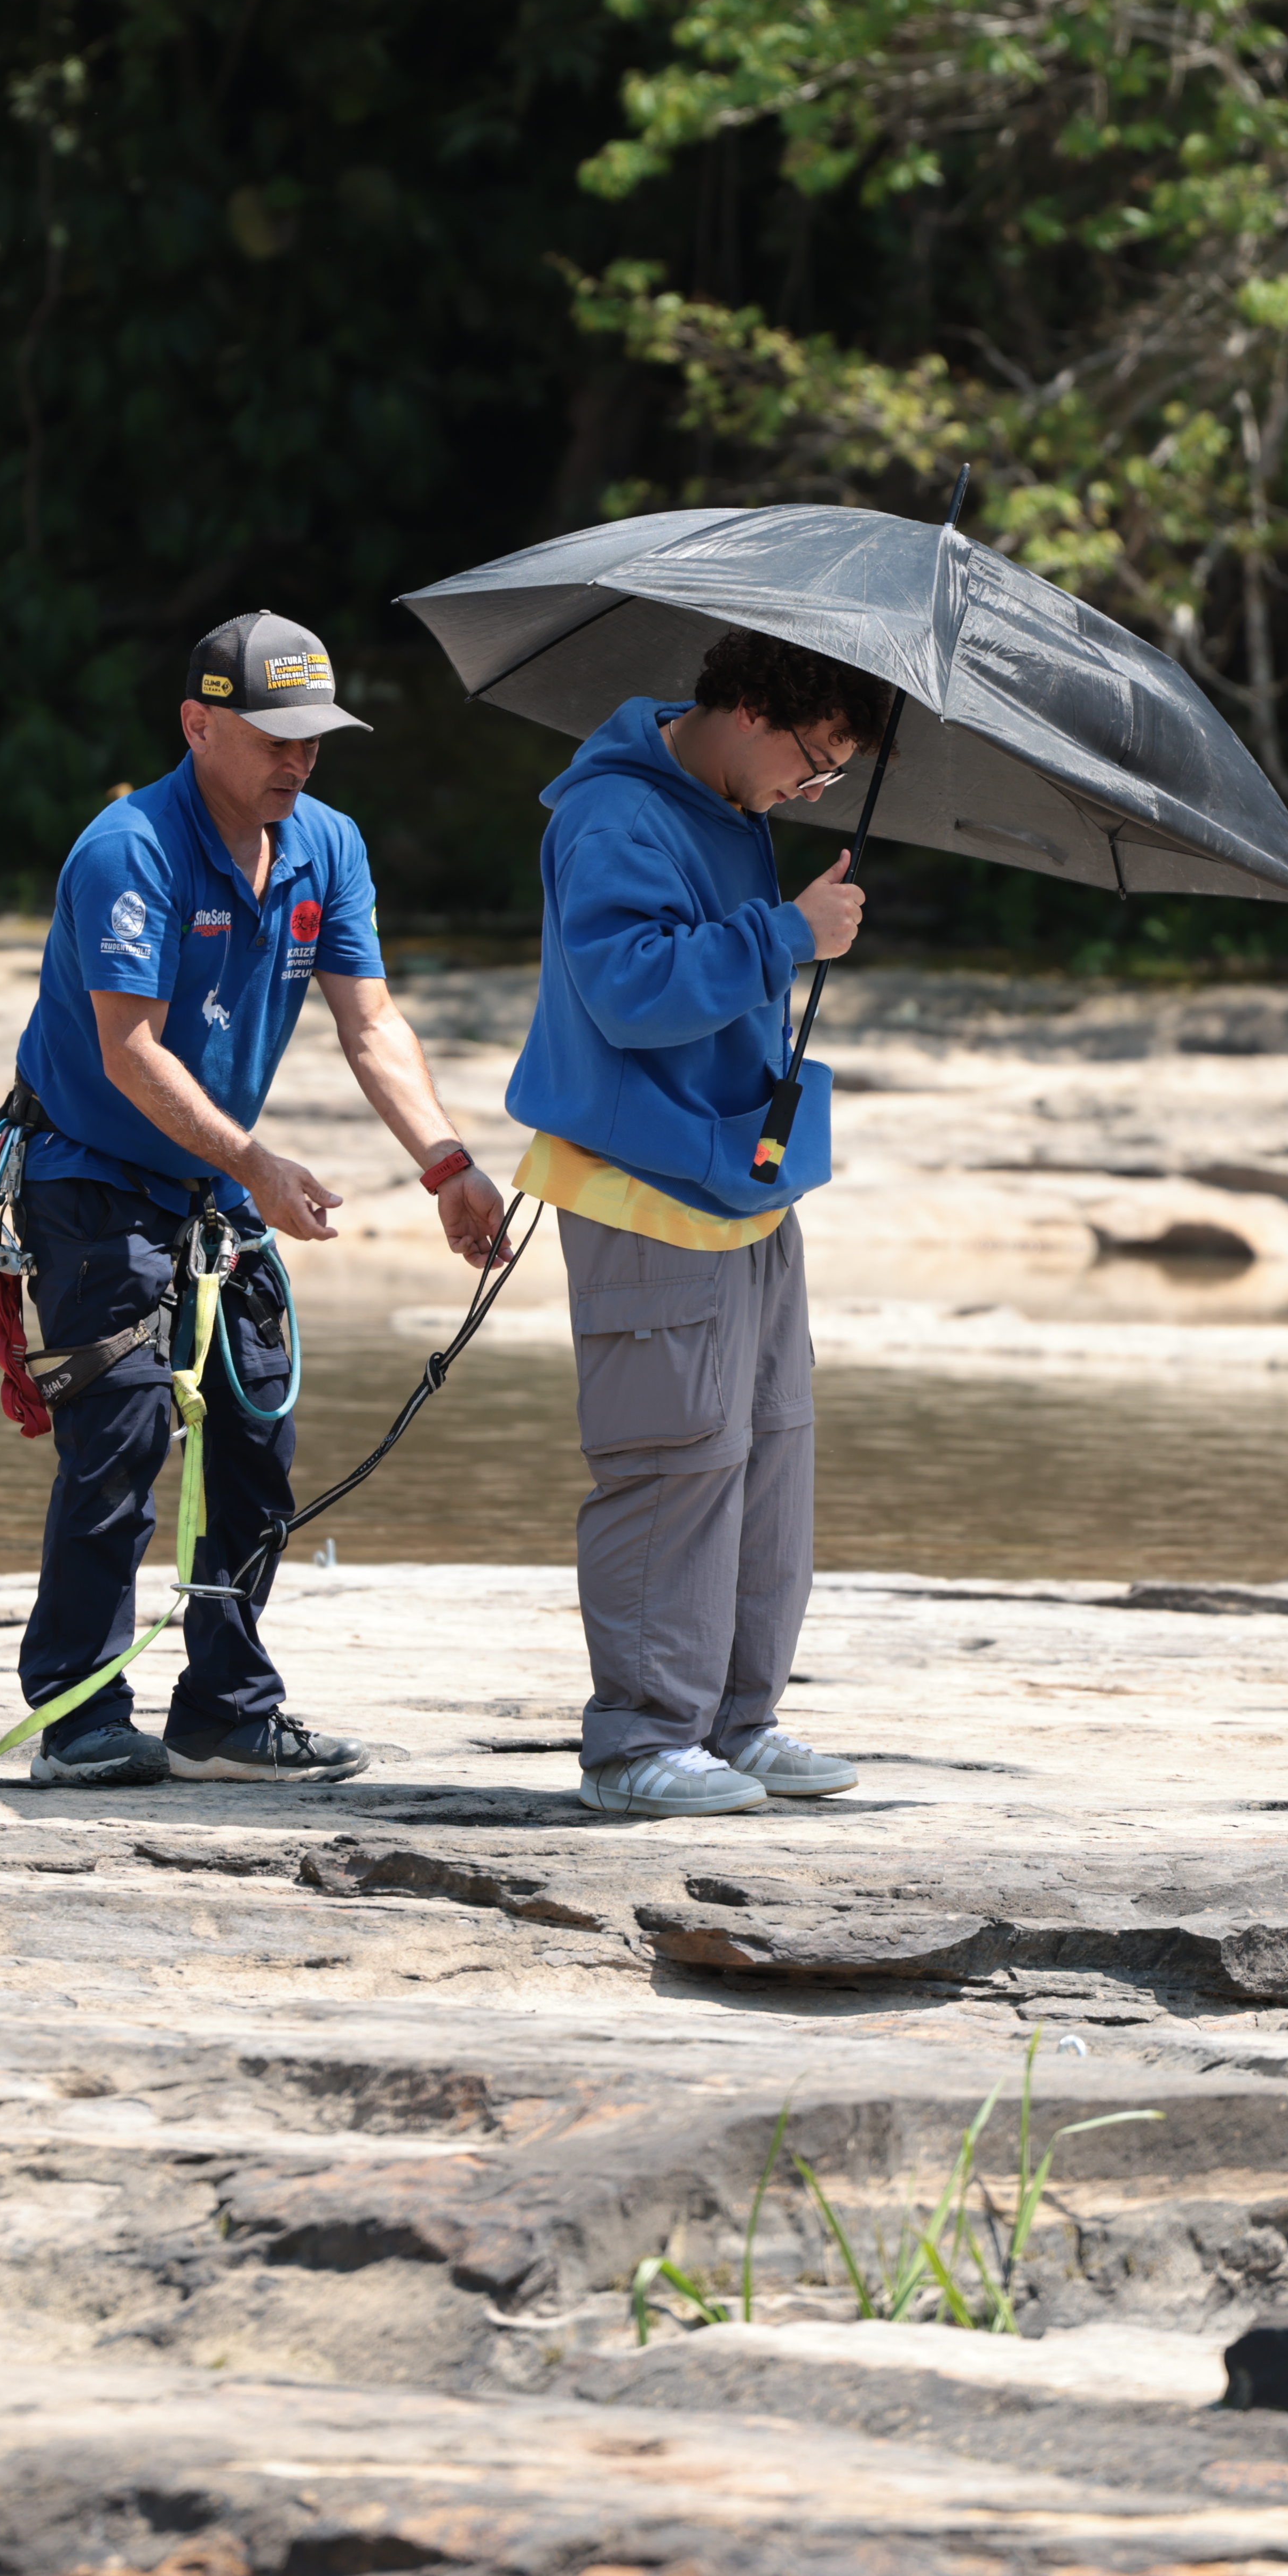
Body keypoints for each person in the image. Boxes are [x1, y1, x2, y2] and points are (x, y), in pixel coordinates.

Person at [3, 610, 515, 1789]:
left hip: (214, 1185)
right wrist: (256, 1164)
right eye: (274, 737)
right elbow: (128, 1051)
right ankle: (78, 1714)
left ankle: (225, 1706)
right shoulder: (127, 848)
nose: (297, 760)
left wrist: (449, 1163)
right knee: (122, 1435)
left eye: (315, 741)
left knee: (254, 1440)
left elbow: (369, 1019)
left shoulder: (325, 845)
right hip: (92, 1176)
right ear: (199, 723)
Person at [501, 627, 896, 1817]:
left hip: (742, 1182)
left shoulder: (731, 806)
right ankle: (638, 1741)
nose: (812, 789)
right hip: (646, 1186)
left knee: (771, 1452)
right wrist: (787, 933)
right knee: (672, 1461)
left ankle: (736, 1719)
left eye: (832, 777)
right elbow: (630, 991)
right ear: (751, 709)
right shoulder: (615, 813)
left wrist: (787, 927)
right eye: (814, 761)